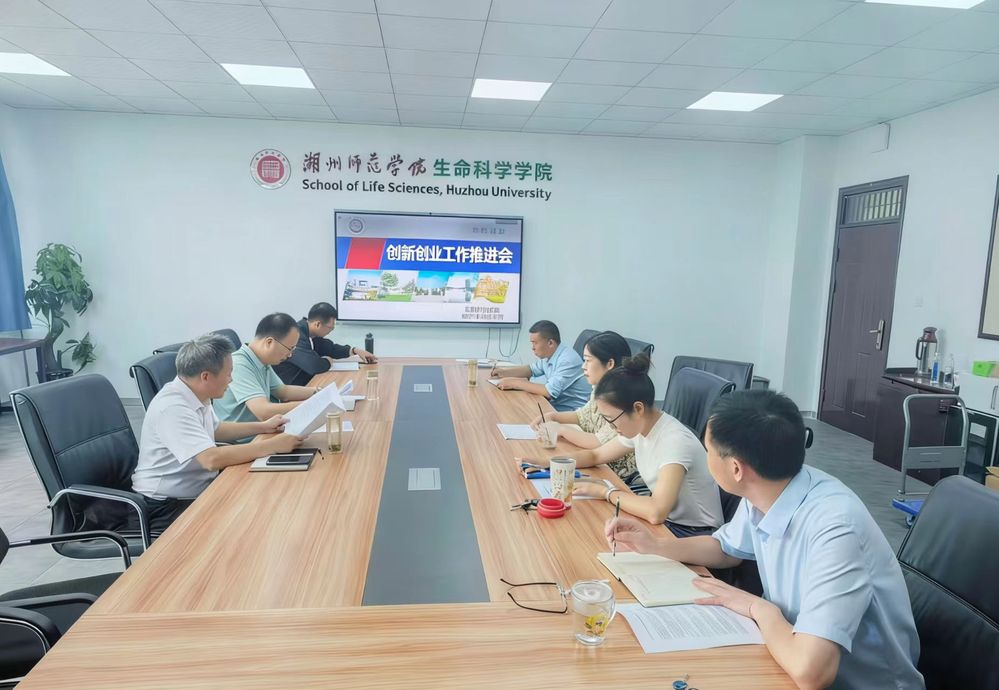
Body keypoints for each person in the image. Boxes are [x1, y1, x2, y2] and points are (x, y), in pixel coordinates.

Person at [606, 390, 924, 690]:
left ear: (735, 468)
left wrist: (759, 608)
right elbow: (726, 549)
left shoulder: (836, 528)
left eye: (708, 450)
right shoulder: (770, 486)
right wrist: (657, 546)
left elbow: (813, 673)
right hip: (787, 649)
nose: (704, 456)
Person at [130, 334, 302, 532]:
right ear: (206, 376)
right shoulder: (172, 407)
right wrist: (272, 446)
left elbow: (216, 429)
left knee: (264, 497)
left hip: (198, 489)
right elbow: (211, 459)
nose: (231, 379)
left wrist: (264, 427)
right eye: (228, 374)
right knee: (252, 519)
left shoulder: (196, 392)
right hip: (164, 506)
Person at [539, 352, 723, 535]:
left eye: (612, 420)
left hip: (693, 532)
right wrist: (542, 463)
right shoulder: (640, 427)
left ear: (638, 409)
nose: (611, 427)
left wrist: (605, 492)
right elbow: (596, 455)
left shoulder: (674, 442)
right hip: (668, 523)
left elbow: (656, 512)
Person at [528, 330, 637, 481]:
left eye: (588, 360)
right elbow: (583, 416)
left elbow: (598, 442)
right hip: (598, 462)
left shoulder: (621, 397)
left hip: (615, 473)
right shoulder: (600, 387)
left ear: (610, 364)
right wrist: (553, 416)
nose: (583, 367)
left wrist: (561, 429)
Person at [213, 312, 325, 432]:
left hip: (267, 430)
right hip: (249, 439)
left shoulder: (261, 360)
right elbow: (263, 411)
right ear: (269, 342)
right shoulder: (238, 364)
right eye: (290, 348)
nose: (290, 355)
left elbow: (283, 391)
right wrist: (314, 404)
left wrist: (319, 392)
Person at [490, 320, 591, 412]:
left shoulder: (567, 360)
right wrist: (504, 372)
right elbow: (531, 369)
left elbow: (548, 392)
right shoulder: (550, 355)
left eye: (535, 343)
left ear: (550, 343)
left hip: (571, 413)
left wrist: (515, 383)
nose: (532, 348)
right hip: (554, 407)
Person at [274, 302, 377, 386]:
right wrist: (328, 361)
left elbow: (330, 348)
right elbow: (314, 365)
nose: (331, 331)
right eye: (330, 328)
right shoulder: (296, 336)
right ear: (317, 324)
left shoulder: (310, 334)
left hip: (303, 383)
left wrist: (355, 350)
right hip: (289, 388)